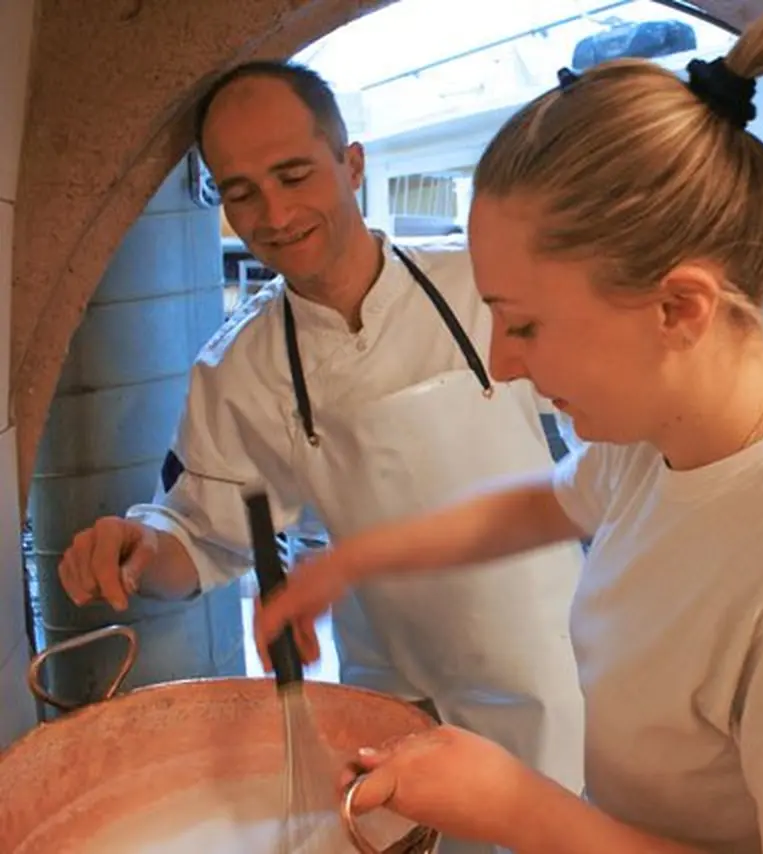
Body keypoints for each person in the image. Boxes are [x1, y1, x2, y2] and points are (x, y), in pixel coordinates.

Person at [256, 4, 763, 853]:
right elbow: (541, 506)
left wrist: (521, 809)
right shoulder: (659, 437)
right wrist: (347, 563)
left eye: (523, 325)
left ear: (678, 307)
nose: (504, 365)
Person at [56, 60, 587, 854]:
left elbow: (611, 436)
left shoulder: (482, 286)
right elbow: (199, 542)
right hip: (389, 685)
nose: (271, 214)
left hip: (540, 666)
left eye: (294, 174)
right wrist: (140, 549)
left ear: (353, 164)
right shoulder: (239, 369)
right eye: (240, 192)